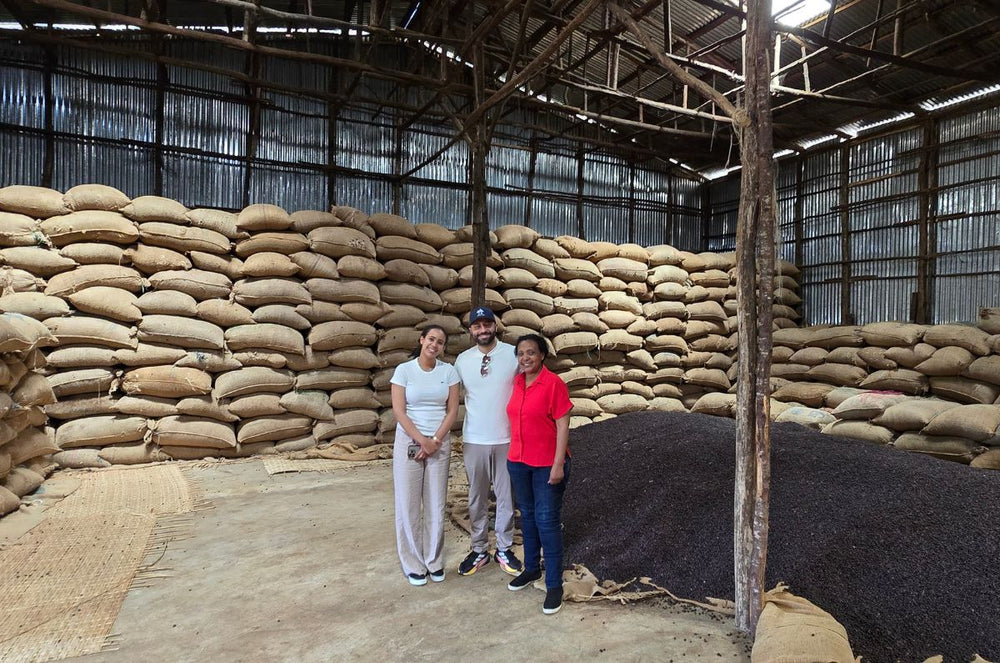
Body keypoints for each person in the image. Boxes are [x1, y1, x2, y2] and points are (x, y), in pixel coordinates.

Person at [505, 333, 573, 615]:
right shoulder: (517, 382)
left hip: (547, 464)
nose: (525, 358)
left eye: (531, 352)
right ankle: (532, 568)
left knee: (547, 521)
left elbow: (563, 425)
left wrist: (558, 464)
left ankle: (554, 584)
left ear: (542, 355)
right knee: (529, 518)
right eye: (521, 353)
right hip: (519, 461)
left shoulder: (553, 383)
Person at [454, 306, 523, 577]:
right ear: (470, 331)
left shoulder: (512, 354)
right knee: (476, 497)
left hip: (507, 437)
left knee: (506, 497)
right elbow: (447, 395)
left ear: (495, 326)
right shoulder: (462, 360)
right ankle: (479, 548)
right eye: (477, 326)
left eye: (487, 324)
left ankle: (504, 548)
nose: (482, 330)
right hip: (474, 439)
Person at [390, 324, 461, 586]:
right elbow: (399, 410)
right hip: (409, 441)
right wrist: (422, 441)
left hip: (439, 442)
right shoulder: (404, 371)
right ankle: (413, 563)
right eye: (431, 339)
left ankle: (434, 560)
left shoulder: (449, 372)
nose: (435, 345)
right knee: (408, 504)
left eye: (440, 342)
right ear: (421, 340)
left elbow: (452, 411)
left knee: (435, 503)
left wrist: (435, 440)